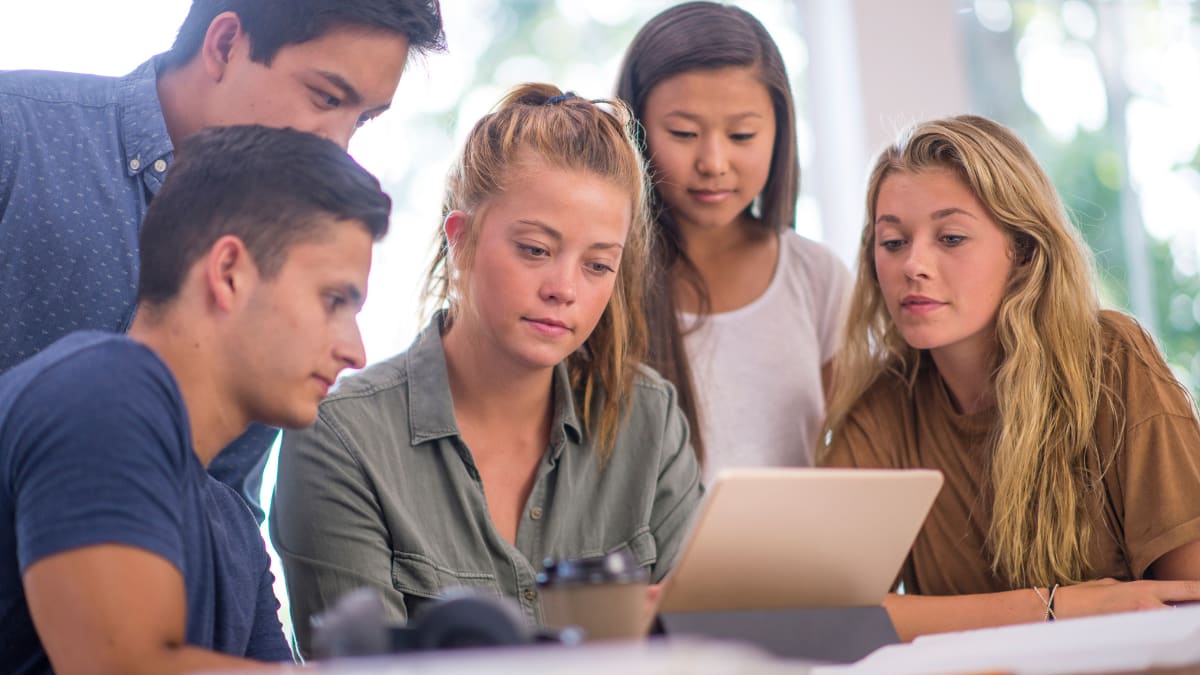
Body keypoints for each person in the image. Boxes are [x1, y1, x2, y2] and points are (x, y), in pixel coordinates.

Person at [270, 83, 704, 656]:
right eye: (534, 249)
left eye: (599, 264)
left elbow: (700, 653)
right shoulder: (344, 438)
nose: (564, 290)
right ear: (462, 239)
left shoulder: (649, 420)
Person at [0, 0, 445, 520]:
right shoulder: (17, 135)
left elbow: (223, 507)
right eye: (325, 98)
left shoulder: (288, 256)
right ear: (224, 44)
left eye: (363, 120)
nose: (339, 146)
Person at [0, 125, 391, 673]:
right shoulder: (97, 393)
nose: (356, 351)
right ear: (229, 273)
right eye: (332, 301)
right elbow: (123, 670)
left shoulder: (230, 523)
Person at [821, 114, 1200, 640]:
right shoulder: (884, 407)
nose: (914, 265)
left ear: (1022, 251)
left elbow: (1192, 598)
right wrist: (1055, 607)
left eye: (950, 238)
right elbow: (830, 610)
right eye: (893, 242)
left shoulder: (1112, 359)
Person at [614, 1, 851, 480]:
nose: (714, 162)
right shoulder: (603, 276)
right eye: (683, 132)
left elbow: (859, 454)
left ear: (780, 131)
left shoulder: (817, 277)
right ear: (634, 129)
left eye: (742, 135)